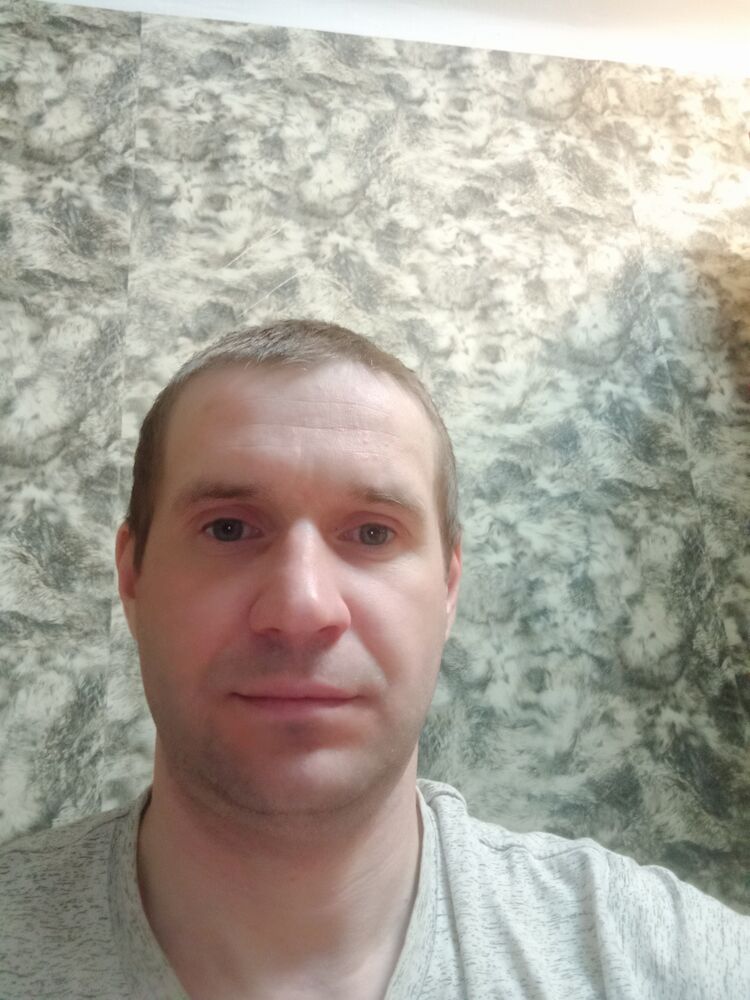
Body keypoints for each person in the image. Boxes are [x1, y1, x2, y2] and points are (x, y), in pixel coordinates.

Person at [0, 319, 748, 1000]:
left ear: (448, 588)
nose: (301, 608)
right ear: (132, 577)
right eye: (228, 528)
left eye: (372, 534)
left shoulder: (659, 962)